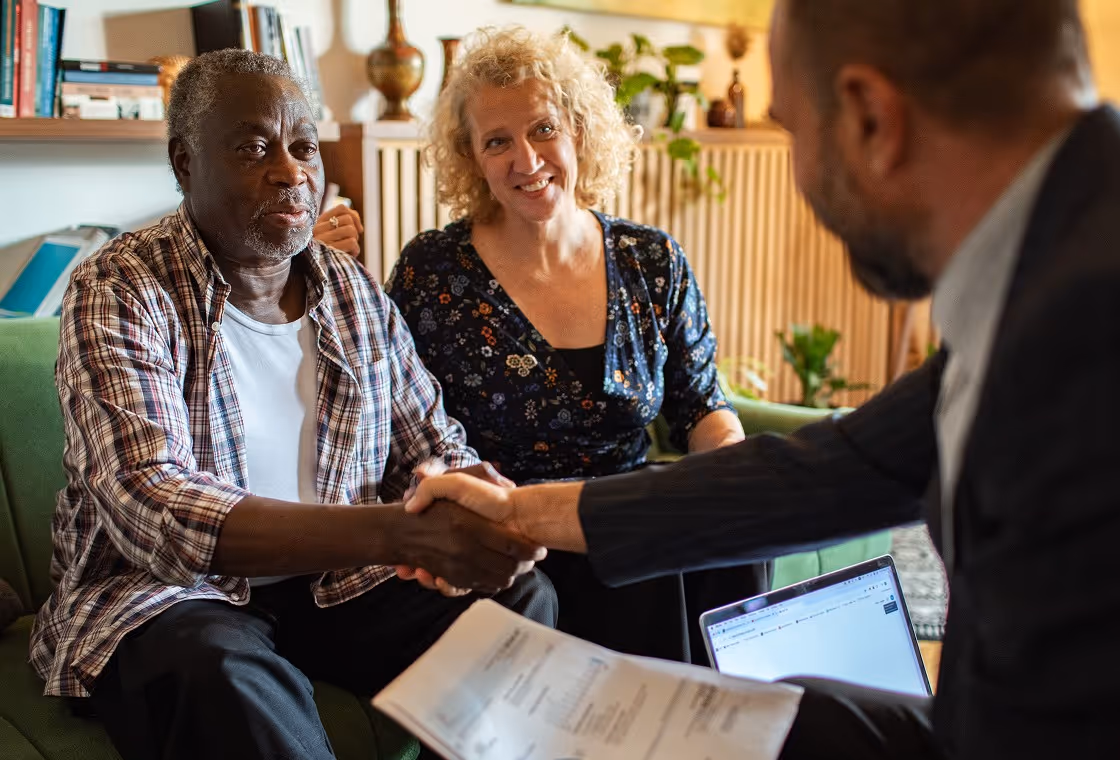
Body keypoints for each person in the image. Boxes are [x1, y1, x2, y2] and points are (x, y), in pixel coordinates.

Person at [406, 0, 1120, 756]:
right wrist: (516, 516)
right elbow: (840, 470)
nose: (802, 174)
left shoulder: (1078, 327)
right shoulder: (1051, 273)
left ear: (870, 117)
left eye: (791, 130)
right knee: (783, 715)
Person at [30, 49, 555, 760]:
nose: (291, 171)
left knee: (519, 606)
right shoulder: (120, 287)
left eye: (303, 146)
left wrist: (468, 503)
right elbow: (152, 502)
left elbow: (427, 441)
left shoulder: (351, 289)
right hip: (178, 596)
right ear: (185, 164)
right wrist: (395, 533)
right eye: (253, 148)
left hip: (337, 587)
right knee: (219, 668)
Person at [385, 26, 762, 664]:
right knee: (635, 554)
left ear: (579, 130)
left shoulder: (651, 258)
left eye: (543, 129)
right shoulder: (434, 271)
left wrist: (734, 467)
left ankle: (728, 717)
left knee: (725, 529)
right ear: (471, 157)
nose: (526, 161)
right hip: (512, 532)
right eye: (497, 141)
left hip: (628, 513)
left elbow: (698, 405)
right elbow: (399, 418)